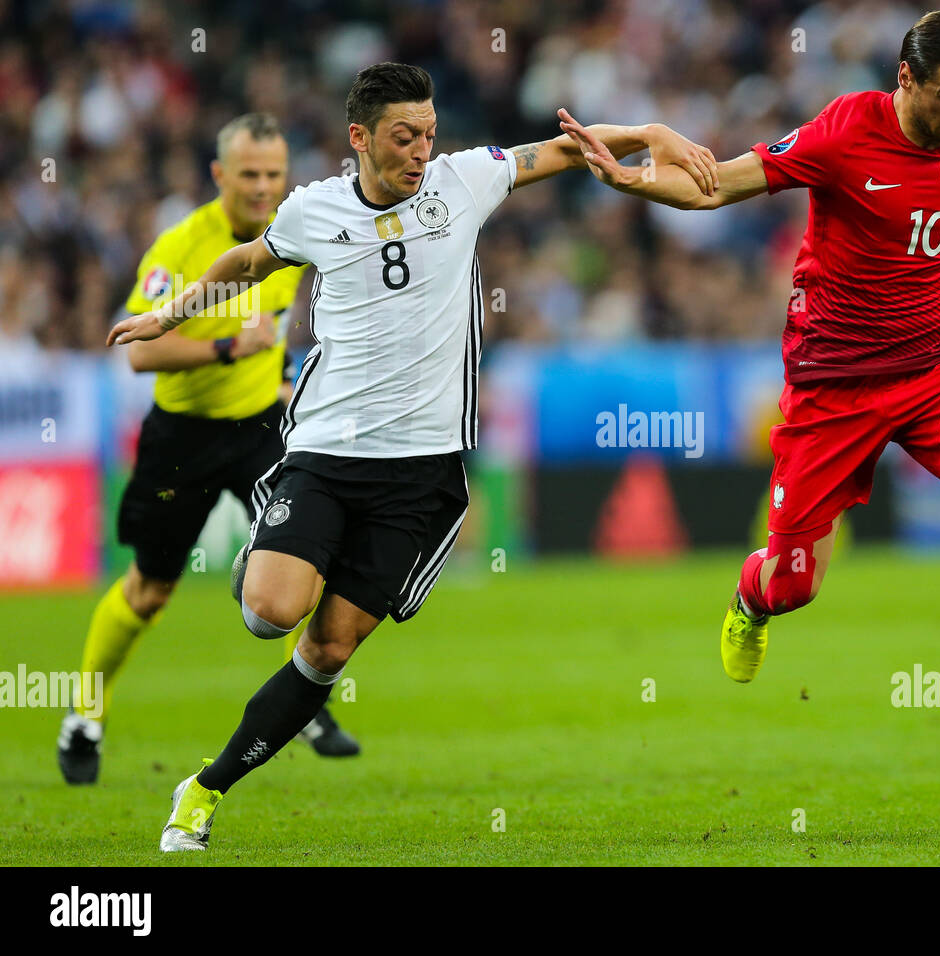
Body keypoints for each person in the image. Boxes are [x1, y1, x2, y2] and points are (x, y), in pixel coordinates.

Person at [106, 62, 717, 850]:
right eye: (404, 136)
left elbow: (561, 153)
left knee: (327, 648)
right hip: (326, 450)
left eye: (429, 134)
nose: (422, 150)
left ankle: (204, 788)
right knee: (269, 614)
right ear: (360, 137)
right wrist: (168, 316)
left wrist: (651, 134)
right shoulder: (313, 210)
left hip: (422, 473)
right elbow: (248, 261)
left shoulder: (464, 182)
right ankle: (265, 565)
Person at [559, 9, 940, 794]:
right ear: (907, 78)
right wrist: (633, 177)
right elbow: (722, 187)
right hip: (834, 386)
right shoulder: (845, 131)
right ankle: (753, 595)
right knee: (796, 585)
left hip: (935, 366)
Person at [59, 113, 359, 786]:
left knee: (306, 557)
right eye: (248, 175)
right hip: (181, 441)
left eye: (273, 175)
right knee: (149, 591)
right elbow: (141, 354)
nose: (262, 188)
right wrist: (230, 347)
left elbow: (278, 330)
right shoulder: (182, 248)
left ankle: (305, 703)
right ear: (219, 175)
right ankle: (83, 712)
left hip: (260, 430)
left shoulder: (292, 231)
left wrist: (281, 378)